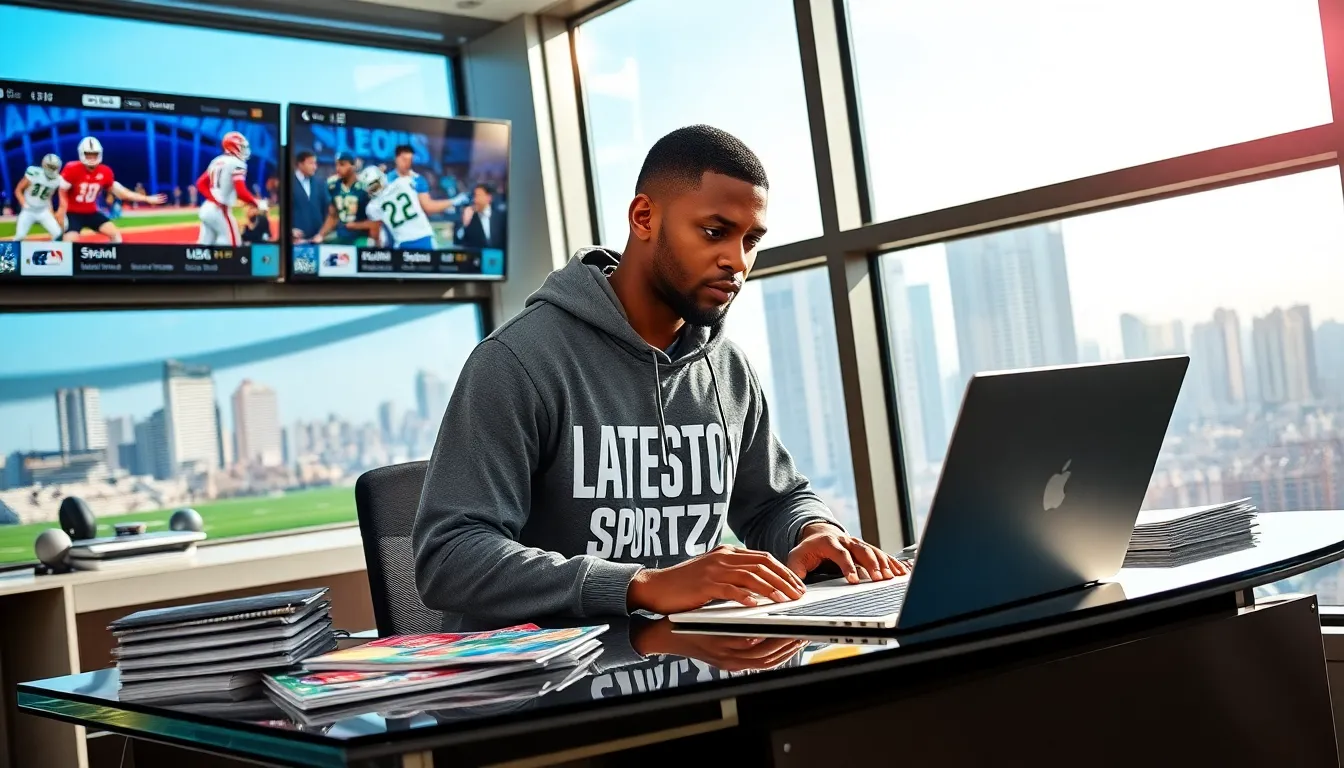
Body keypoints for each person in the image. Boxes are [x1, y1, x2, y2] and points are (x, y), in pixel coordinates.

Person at [413, 125, 907, 628]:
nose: (736, 261)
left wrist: (809, 531)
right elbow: (450, 558)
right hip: (560, 689)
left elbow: (773, 503)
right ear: (644, 217)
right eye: (715, 232)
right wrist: (640, 584)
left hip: (696, 664)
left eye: (751, 240)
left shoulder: (726, 366)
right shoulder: (517, 361)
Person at [59, 136, 165, 243]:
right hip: (73, 214)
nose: (91, 158)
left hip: (91, 212)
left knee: (116, 236)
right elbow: (61, 190)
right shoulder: (72, 169)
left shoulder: (105, 172)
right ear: (82, 154)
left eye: (94, 154)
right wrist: (61, 210)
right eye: (88, 154)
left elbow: (123, 193)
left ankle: (106, 258)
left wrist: (146, 198)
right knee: (69, 244)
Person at [195, 131, 265, 247]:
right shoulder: (237, 163)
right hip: (220, 210)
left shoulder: (217, 161)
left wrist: (213, 199)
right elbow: (241, 192)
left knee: (205, 246)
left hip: (207, 208)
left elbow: (200, 183)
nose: (245, 150)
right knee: (232, 245)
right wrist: (257, 203)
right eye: (242, 147)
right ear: (233, 146)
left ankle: (203, 266)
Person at [359, 166, 436, 249]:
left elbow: (375, 234)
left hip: (403, 242)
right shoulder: (404, 182)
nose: (375, 188)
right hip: (425, 237)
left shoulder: (373, 207)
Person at [313, 152, 373, 245]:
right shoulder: (333, 185)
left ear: (353, 165)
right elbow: (333, 216)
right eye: (336, 165)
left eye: (342, 165)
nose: (338, 168)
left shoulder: (365, 186)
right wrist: (321, 234)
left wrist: (357, 226)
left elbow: (375, 219)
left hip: (361, 236)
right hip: (341, 234)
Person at [388, 144, 455, 216]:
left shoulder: (418, 180)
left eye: (409, 160)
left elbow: (427, 206)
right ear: (396, 158)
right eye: (404, 159)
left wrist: (453, 201)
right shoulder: (387, 179)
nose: (407, 163)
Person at [13, 153, 69, 240]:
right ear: (44, 164)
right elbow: (18, 190)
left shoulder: (58, 180)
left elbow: (48, 197)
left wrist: (52, 212)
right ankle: (9, 253)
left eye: (54, 167)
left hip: (43, 211)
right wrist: (23, 203)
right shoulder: (34, 173)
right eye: (50, 166)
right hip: (28, 210)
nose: (52, 169)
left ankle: (53, 252)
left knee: (57, 233)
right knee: (20, 236)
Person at [289, 150, 328, 243]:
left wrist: (322, 233)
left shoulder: (320, 183)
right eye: (311, 163)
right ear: (300, 164)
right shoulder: (287, 183)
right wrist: (289, 230)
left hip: (317, 240)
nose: (315, 167)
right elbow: (281, 211)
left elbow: (326, 210)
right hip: (295, 240)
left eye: (315, 163)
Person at [454, 183, 506, 249]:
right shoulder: (469, 217)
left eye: (478, 196)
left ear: (489, 198)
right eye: (474, 196)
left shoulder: (500, 217)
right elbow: (458, 241)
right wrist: (465, 223)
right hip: (476, 257)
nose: (475, 200)